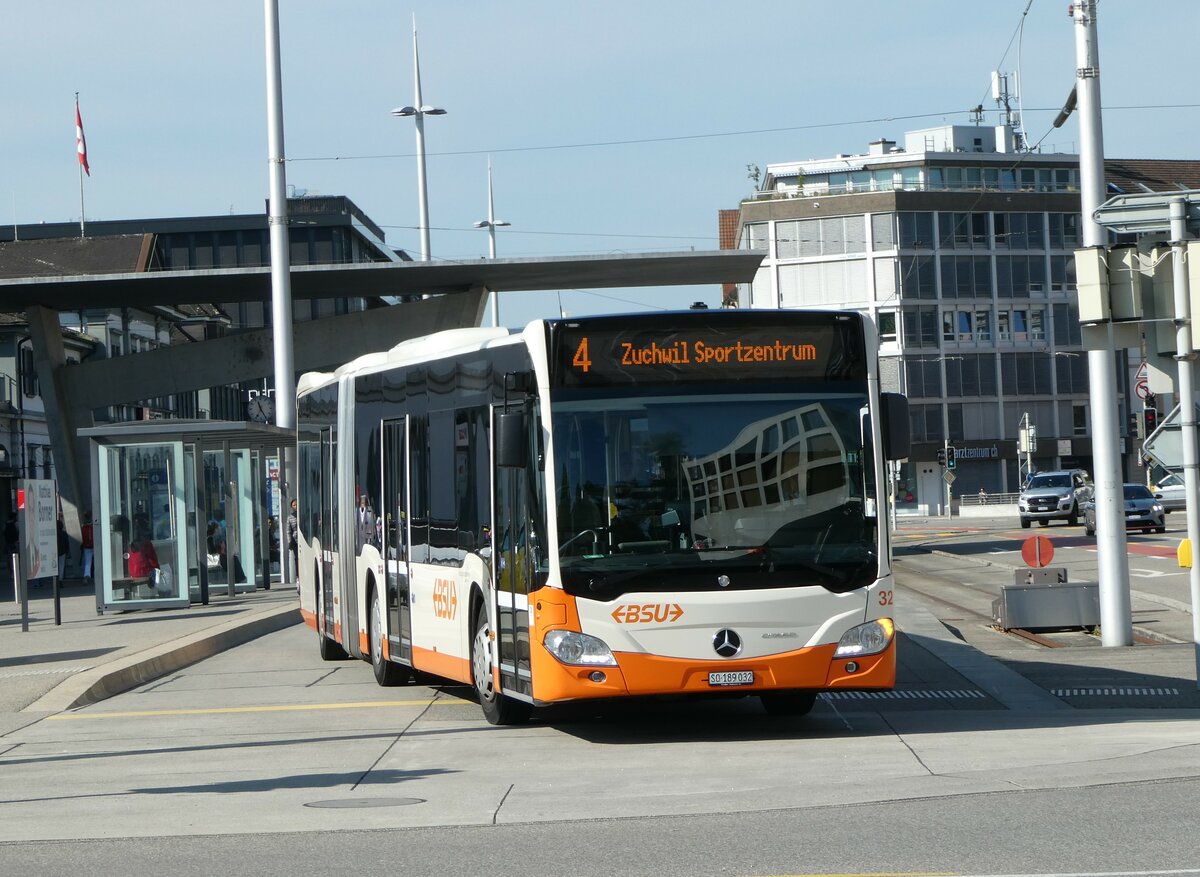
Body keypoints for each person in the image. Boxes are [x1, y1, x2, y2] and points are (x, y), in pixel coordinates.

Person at [286, 498, 299, 587]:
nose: (296, 506)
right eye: (294, 505)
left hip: (304, 538)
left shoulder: (304, 514)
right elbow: (288, 531)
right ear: (291, 507)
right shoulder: (290, 517)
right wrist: (289, 541)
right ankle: (298, 576)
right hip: (295, 540)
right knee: (297, 558)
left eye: (297, 504)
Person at [80, 512, 94, 583]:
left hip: (86, 546)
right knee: (98, 561)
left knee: (88, 562)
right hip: (94, 545)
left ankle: (86, 575)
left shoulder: (83, 527)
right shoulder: (94, 526)